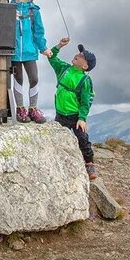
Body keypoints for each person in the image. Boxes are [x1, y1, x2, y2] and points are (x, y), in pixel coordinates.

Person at [44, 37, 98, 179]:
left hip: (75, 116)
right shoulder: (64, 69)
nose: (78, 55)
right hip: (60, 114)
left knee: (82, 139)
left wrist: (82, 118)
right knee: (57, 139)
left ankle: (89, 164)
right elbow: (52, 57)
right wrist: (59, 46)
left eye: (82, 56)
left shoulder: (85, 80)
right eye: (79, 53)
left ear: (85, 66)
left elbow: (85, 101)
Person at [11, 0, 50, 123]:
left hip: (29, 51)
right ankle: (20, 110)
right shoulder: (9, 7)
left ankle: (33, 109)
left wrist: (43, 48)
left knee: (34, 78)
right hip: (14, 52)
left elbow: (38, 32)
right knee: (18, 79)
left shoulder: (34, 12)